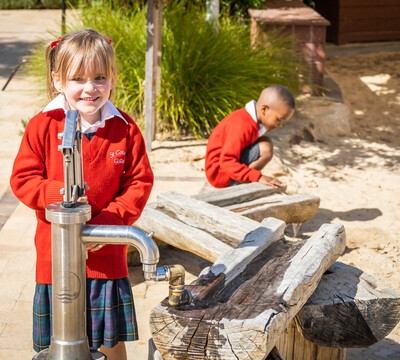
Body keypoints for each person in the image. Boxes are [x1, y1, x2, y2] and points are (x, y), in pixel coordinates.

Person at [10, 29, 153, 360]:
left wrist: (110, 220)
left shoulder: (125, 129)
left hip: (106, 256)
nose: (90, 88)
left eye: (100, 77)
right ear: (58, 80)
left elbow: (139, 181)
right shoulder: (42, 126)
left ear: (113, 78)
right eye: (78, 78)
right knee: (59, 343)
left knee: (109, 341)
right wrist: (59, 194)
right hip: (56, 258)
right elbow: (23, 178)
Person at [205, 85, 295, 189]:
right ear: (264, 109)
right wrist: (258, 177)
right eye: (279, 119)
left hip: (226, 167)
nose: (280, 125)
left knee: (265, 142)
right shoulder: (242, 124)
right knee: (266, 148)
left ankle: (243, 179)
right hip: (220, 174)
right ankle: (238, 184)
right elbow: (226, 161)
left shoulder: (254, 120)